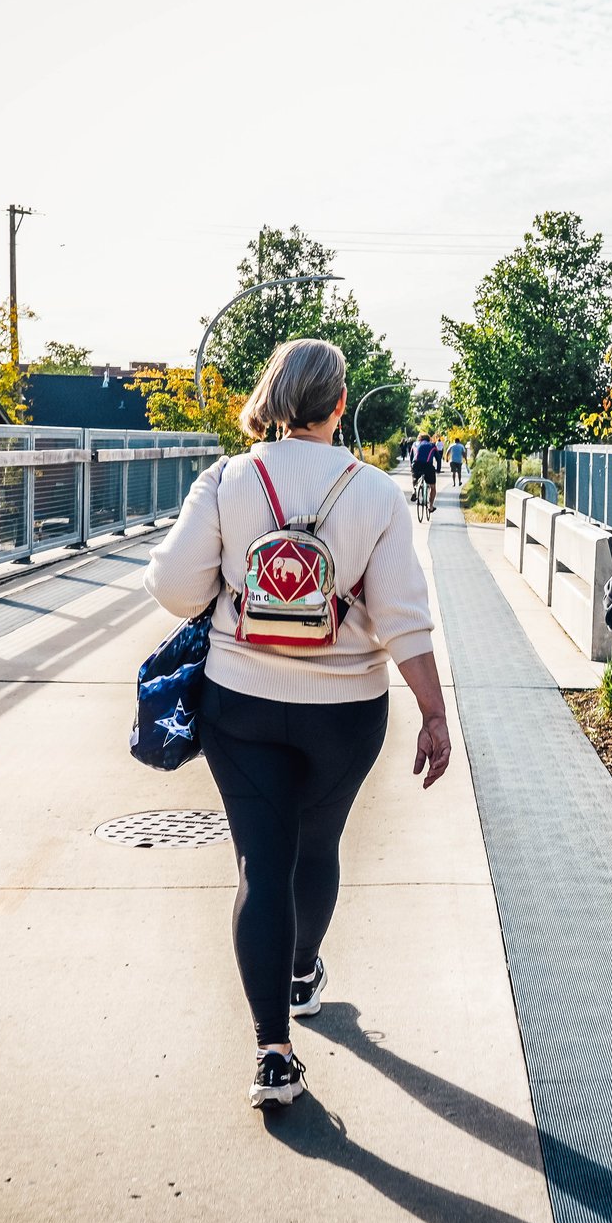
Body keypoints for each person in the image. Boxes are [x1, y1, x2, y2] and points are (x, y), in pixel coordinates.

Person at [144, 339, 453, 1109]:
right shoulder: (376, 492)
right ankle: (302, 970)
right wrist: (433, 712)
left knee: (260, 862)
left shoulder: (227, 479)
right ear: (339, 404)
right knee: (317, 845)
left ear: (270, 397)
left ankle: (273, 1053)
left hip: (241, 704)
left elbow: (176, 588)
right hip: (346, 713)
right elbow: (405, 619)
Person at [408, 431, 441, 510]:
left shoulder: (414, 444)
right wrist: (438, 469)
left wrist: (411, 468)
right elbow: (438, 458)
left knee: (415, 479)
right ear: (429, 439)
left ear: (419, 439)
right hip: (428, 466)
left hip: (416, 465)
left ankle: (414, 490)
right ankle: (431, 506)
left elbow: (411, 457)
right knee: (433, 487)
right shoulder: (432, 445)